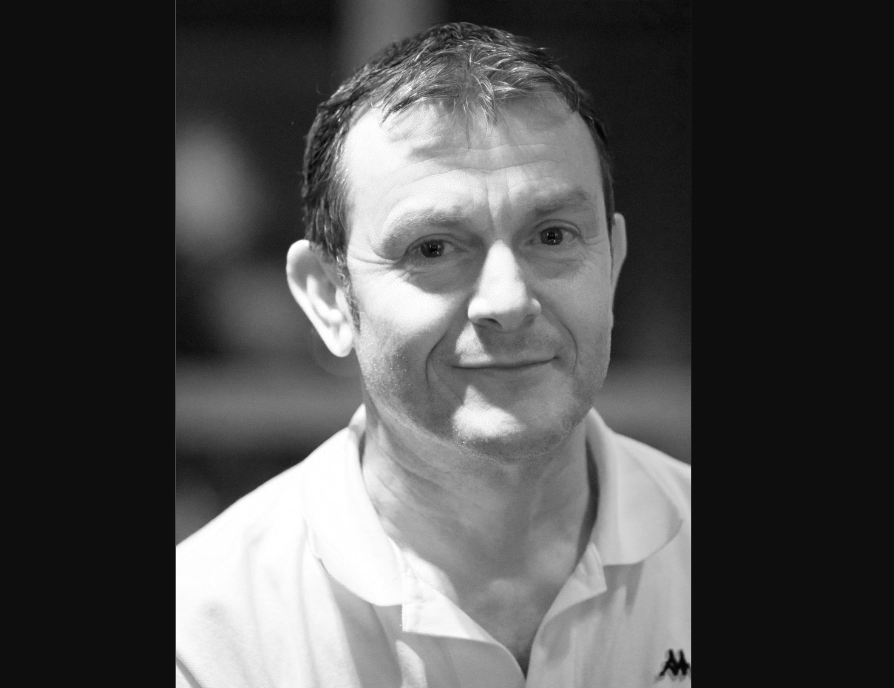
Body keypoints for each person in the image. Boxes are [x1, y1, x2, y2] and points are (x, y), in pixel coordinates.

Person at [175, 22, 690, 687]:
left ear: (612, 265)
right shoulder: (205, 635)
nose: (507, 300)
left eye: (553, 235)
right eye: (434, 248)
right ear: (329, 298)